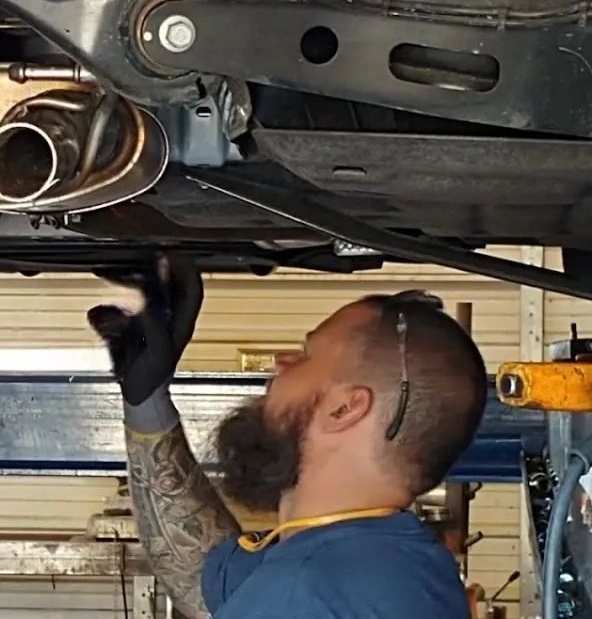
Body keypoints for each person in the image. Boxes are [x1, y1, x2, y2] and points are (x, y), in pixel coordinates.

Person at [87, 254, 487, 619]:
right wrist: (147, 404)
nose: (283, 361)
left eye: (306, 355)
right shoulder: (393, 564)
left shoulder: (305, 589)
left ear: (344, 409)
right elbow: (203, 580)